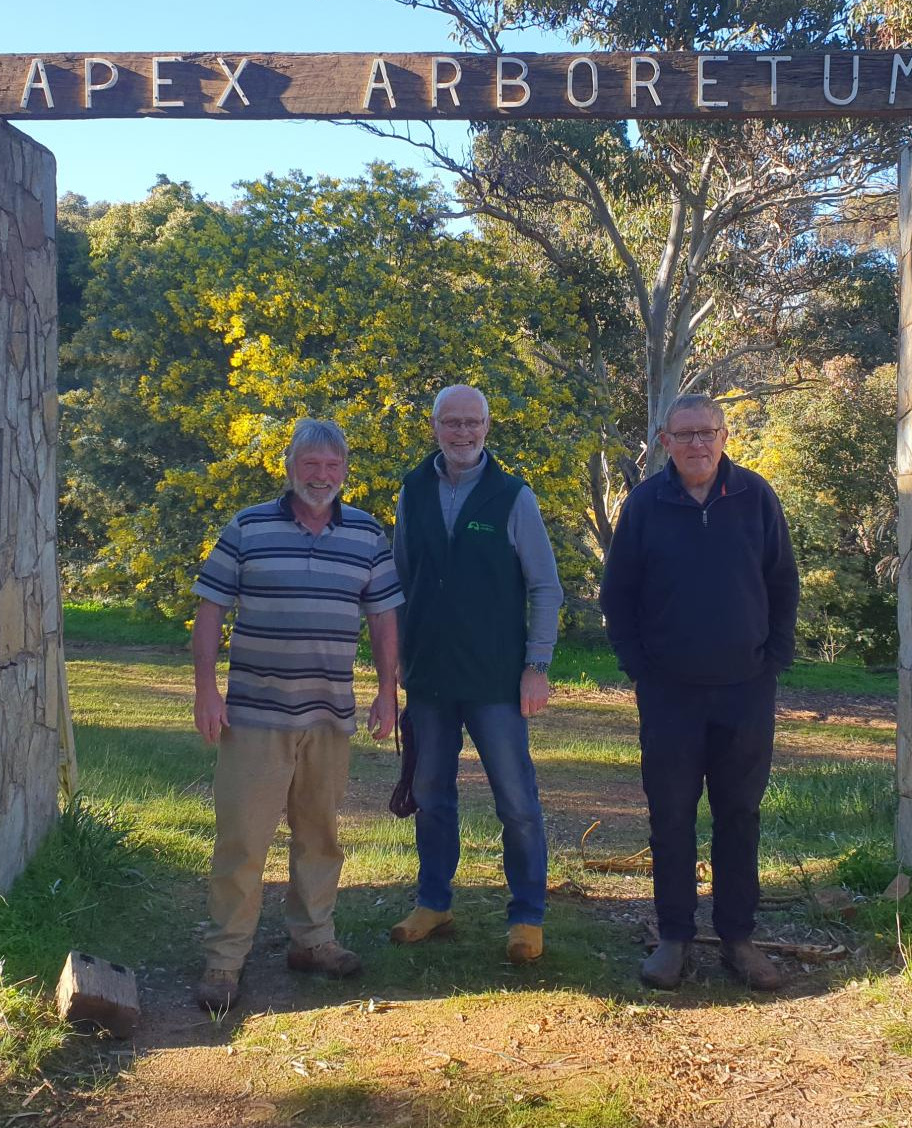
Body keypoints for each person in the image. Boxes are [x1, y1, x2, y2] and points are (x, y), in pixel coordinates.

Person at [190, 419, 402, 1014]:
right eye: (311, 464)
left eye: (333, 467)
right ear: (289, 467)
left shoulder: (366, 534)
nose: (322, 476)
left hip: (330, 716)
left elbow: (384, 619)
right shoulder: (249, 526)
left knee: (319, 836)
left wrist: (388, 693)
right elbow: (210, 611)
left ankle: (313, 941)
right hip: (255, 717)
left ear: (345, 473)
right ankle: (225, 960)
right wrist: (207, 691)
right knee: (243, 841)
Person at [601, 393, 799, 992]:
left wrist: (773, 662)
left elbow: (783, 582)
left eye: (707, 432)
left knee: (739, 814)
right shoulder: (644, 504)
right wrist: (642, 669)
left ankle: (739, 938)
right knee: (672, 816)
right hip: (670, 695)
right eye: (684, 434)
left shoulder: (755, 497)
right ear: (665, 441)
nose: (697, 444)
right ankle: (674, 938)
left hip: (745, 691)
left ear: (724, 435)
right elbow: (618, 595)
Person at [389, 385, 564, 965]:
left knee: (516, 801)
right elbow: (397, 584)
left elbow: (544, 587)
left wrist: (537, 667)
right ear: (434, 426)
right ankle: (433, 902)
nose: (462, 433)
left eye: (473, 423)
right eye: (451, 423)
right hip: (430, 677)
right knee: (430, 794)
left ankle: (527, 916)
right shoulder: (412, 491)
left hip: (496, 678)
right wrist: (392, 670)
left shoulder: (513, 497)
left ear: (488, 426)